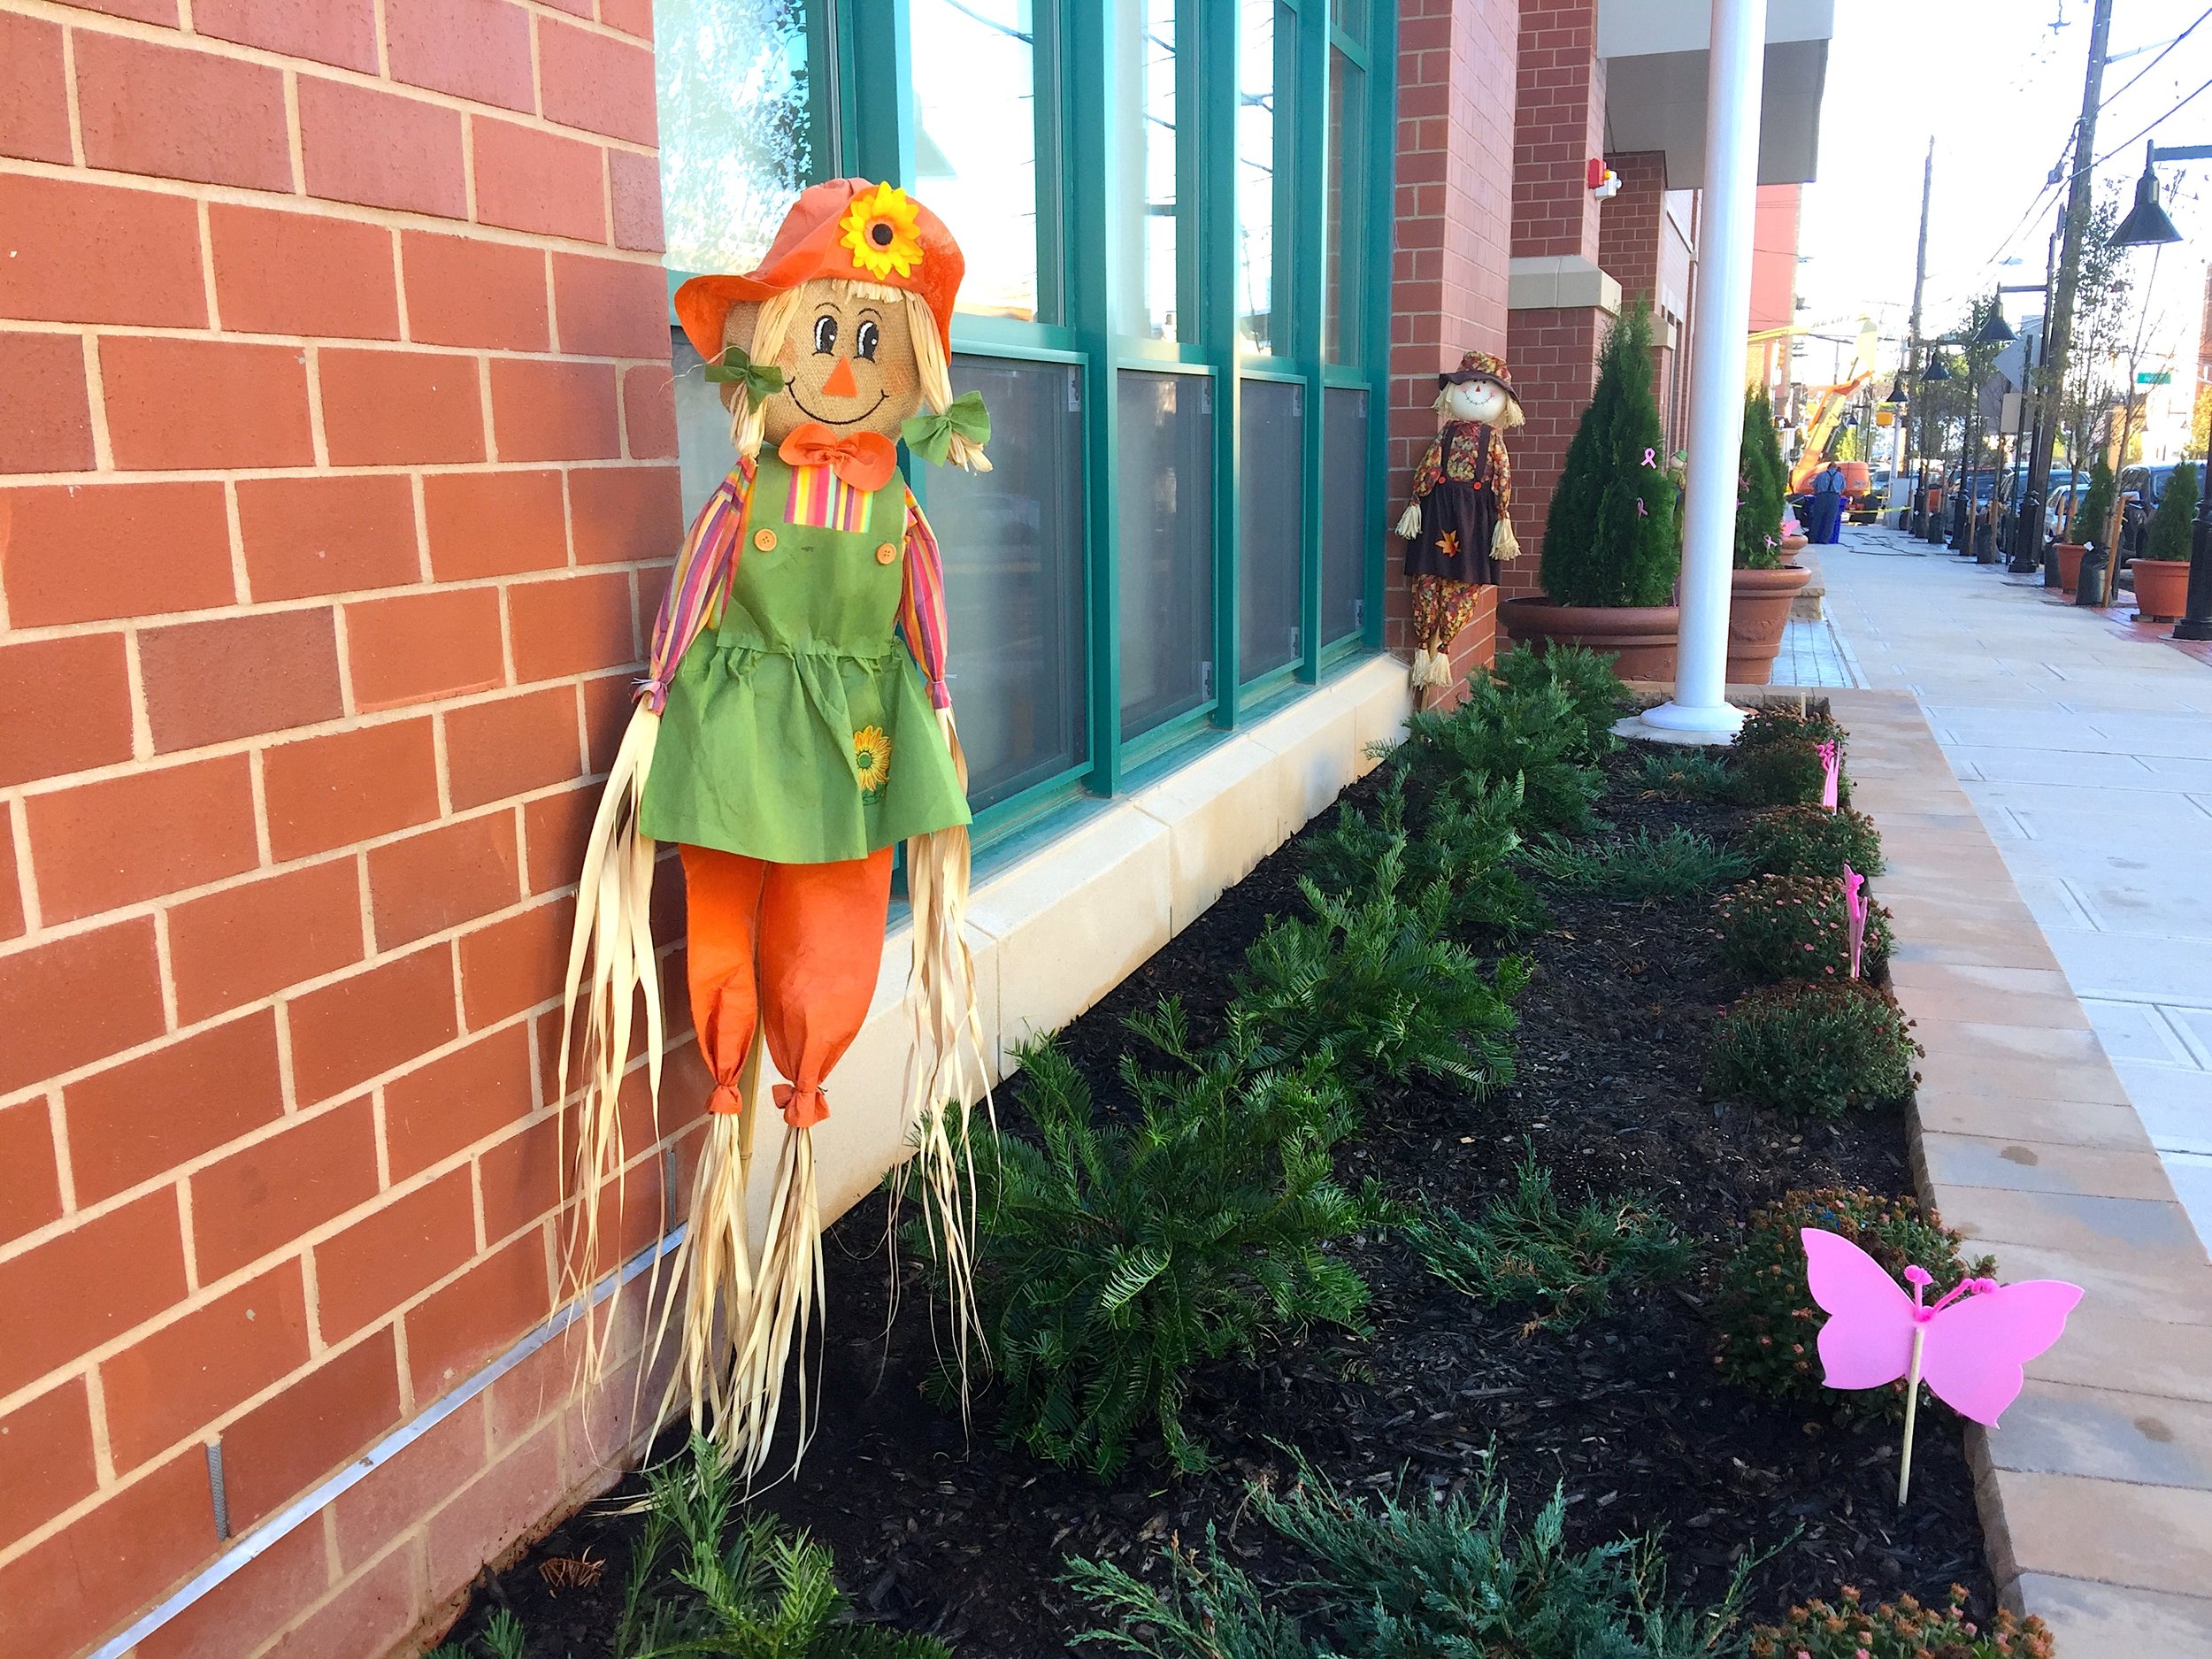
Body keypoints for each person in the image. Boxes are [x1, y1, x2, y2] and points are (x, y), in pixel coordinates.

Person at [1807, 460, 1847, 545]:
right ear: (1835, 468)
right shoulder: (1840, 476)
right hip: (1834, 497)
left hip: (1821, 496)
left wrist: (1818, 493)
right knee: (1830, 519)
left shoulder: (1821, 475)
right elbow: (1843, 488)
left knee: (1817, 518)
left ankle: (1813, 538)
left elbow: (1815, 486)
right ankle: (1825, 539)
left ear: (1828, 467)